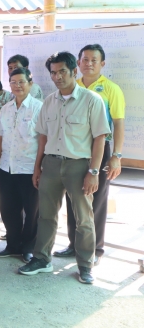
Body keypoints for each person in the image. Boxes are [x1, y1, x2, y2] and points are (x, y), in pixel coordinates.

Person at [19, 52, 110, 285]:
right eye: (53, 73)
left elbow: (100, 138)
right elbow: (42, 137)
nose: (57, 77)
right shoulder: (49, 101)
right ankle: (42, 259)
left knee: (83, 218)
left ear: (74, 72)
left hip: (79, 165)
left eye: (62, 72)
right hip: (51, 164)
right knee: (46, 215)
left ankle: (85, 265)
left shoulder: (92, 100)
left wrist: (93, 172)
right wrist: (38, 167)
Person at [53, 44, 125, 266]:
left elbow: (118, 123)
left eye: (94, 60)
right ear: (78, 63)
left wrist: (116, 156)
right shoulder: (72, 86)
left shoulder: (111, 89)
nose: (89, 63)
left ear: (102, 64)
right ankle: (74, 245)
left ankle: (95, 249)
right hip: (74, 150)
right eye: (85, 59)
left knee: (97, 199)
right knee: (73, 197)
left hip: (99, 149)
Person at [0, 68, 42, 263]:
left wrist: (38, 168)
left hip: (29, 168)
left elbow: (43, 141)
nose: (17, 86)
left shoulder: (39, 108)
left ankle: (28, 247)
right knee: (8, 210)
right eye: (13, 82)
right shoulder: (6, 109)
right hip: (7, 167)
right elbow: (0, 139)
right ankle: (12, 245)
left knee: (32, 211)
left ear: (30, 83)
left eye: (21, 82)